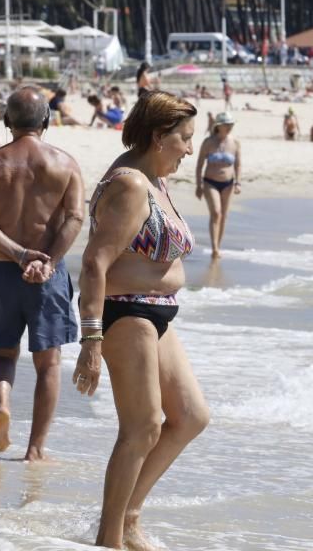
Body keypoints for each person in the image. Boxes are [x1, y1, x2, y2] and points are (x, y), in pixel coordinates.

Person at [74, 90, 209, 550]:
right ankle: (109, 539)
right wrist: (90, 341)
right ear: (158, 136)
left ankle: (128, 516)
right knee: (144, 426)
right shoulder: (131, 184)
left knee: (190, 416)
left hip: (157, 313)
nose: (190, 149)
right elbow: (94, 263)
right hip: (126, 311)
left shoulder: (156, 177)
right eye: (185, 139)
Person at [0, 87, 85, 461]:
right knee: (48, 363)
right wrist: (47, 260)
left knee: (3, 353)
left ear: (7, 122)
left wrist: (18, 254)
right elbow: (74, 218)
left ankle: (2, 403)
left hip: (1, 272)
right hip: (47, 274)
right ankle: (35, 448)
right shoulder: (65, 164)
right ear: (47, 120)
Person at [195, 111, 241, 259]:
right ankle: (214, 247)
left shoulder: (235, 143)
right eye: (226, 125)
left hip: (228, 183)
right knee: (216, 212)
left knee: (224, 216)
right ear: (219, 126)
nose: (229, 127)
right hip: (210, 182)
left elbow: (238, 165)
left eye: (231, 125)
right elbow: (199, 164)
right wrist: (199, 185)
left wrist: (238, 182)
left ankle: (217, 247)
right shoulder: (208, 142)